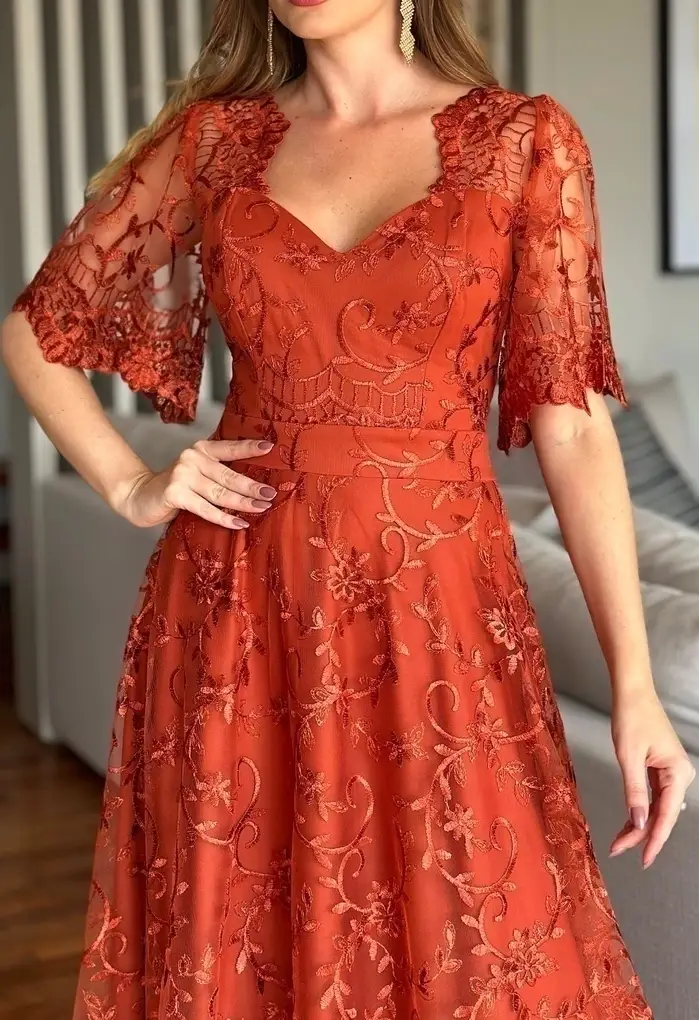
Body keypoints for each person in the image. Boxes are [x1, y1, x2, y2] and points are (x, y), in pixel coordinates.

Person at [1, 0, 693, 1017]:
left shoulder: (522, 141)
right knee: (245, 941)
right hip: (239, 613)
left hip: (440, 621)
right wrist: (130, 481)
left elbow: (575, 427)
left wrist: (635, 688)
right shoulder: (213, 143)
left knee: (476, 943)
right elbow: (38, 330)